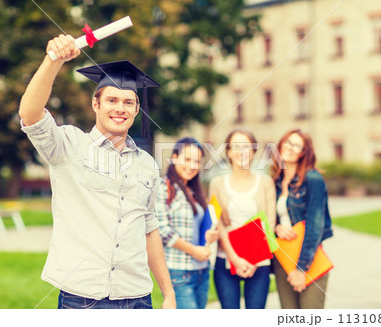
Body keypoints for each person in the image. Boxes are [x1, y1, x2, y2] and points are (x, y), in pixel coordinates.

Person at [19, 34, 176, 309]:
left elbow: (149, 229)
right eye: (112, 100)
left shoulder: (147, 164)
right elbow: (30, 114)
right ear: (96, 104)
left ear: (137, 109)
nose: (120, 108)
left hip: (137, 299)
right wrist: (53, 60)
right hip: (82, 300)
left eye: (128, 102)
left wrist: (168, 293)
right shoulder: (68, 146)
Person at [208, 128, 276, 309]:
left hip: (259, 262)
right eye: (236, 147)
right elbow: (218, 223)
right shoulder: (216, 184)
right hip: (226, 260)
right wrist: (235, 258)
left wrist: (252, 259)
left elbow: (269, 222)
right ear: (228, 151)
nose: (242, 152)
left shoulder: (266, 183)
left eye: (247, 146)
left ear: (254, 151)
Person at [271, 129, 333, 309]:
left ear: (304, 153)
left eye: (297, 145)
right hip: (282, 259)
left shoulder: (313, 179)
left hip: (308, 259)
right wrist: (276, 228)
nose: (290, 148)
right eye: (288, 142)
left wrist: (301, 268)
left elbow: (315, 225)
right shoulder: (276, 181)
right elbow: (269, 217)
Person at [155, 138, 219, 309]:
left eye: (197, 161)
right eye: (187, 159)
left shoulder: (194, 191)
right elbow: (162, 231)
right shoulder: (162, 187)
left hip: (202, 271)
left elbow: (196, 229)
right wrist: (193, 251)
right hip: (178, 272)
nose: (192, 165)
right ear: (175, 157)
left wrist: (209, 235)